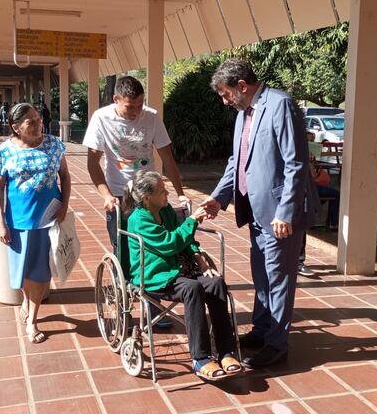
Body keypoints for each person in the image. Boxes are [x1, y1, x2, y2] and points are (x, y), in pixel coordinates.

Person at [200, 58, 315, 368]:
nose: (225, 102)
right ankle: (263, 331)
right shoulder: (243, 114)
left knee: (279, 278)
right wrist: (218, 198)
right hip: (255, 210)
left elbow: (296, 163)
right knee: (262, 275)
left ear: (241, 86)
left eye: (226, 95)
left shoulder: (280, 104)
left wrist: (286, 212)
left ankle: (277, 344)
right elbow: (236, 162)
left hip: (279, 215)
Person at [83, 76, 188, 328]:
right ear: (116, 100)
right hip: (119, 194)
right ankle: (124, 308)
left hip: (147, 194)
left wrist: (180, 192)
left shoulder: (151, 117)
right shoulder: (101, 118)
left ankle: (153, 306)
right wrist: (106, 195)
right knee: (123, 250)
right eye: (130, 107)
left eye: (140, 105)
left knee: (152, 248)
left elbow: (167, 157)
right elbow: (92, 163)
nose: (136, 112)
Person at [124, 171, 242, 381]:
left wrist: (199, 258)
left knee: (215, 283)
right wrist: (193, 220)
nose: (167, 193)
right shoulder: (139, 220)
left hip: (180, 268)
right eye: (162, 190)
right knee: (192, 288)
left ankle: (226, 351)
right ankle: (201, 358)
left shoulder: (166, 210)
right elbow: (170, 243)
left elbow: (185, 240)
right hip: (156, 275)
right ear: (147, 198)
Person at [0, 103, 71, 344]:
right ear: (16, 127)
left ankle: (32, 321)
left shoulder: (54, 145)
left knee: (40, 271)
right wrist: (1, 222)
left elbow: (65, 176)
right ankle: (27, 299)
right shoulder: (5, 151)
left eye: (39, 119)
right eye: (31, 122)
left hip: (48, 219)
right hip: (19, 222)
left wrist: (64, 205)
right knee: (24, 271)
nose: (38, 124)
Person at [298, 165, 340, 277]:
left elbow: (312, 175)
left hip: (306, 187)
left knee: (301, 225)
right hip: (300, 187)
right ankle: (333, 223)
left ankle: (299, 262)